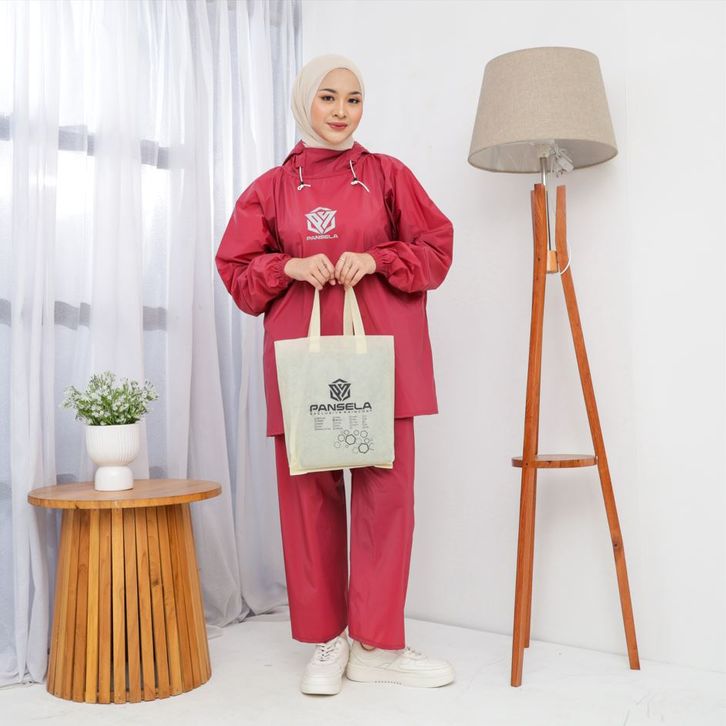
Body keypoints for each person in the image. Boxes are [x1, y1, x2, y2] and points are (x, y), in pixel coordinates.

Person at [215, 54, 455, 695]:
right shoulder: (269, 189)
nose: (342, 111)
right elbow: (237, 271)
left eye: (353, 99)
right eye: (328, 97)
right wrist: (288, 267)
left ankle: (377, 645)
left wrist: (376, 260)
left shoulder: (387, 175)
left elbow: (436, 249)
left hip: (382, 360)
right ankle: (328, 640)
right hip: (304, 363)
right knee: (308, 498)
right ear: (305, 102)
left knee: (386, 498)